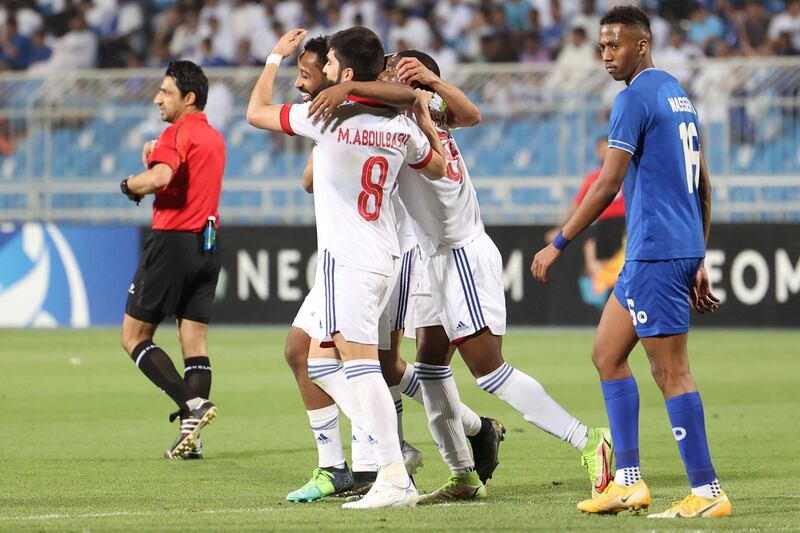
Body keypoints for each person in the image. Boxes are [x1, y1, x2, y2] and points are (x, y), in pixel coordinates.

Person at [312, 49, 612, 504]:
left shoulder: (419, 115)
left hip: (460, 257)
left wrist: (423, 82)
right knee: (431, 370)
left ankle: (590, 440)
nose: (388, 76)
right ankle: (463, 475)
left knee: (489, 373)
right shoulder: (406, 118)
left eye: (395, 70)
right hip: (429, 260)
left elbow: (471, 113)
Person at [531, 6, 731, 518]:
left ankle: (707, 493)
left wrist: (559, 242)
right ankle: (628, 482)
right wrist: (699, 254)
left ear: (641, 45)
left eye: (614, 46)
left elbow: (607, 184)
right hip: (671, 248)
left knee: (671, 373)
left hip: (657, 251)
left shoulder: (633, 98)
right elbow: (704, 186)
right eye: (601, 46)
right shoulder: (676, 93)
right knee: (607, 354)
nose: (604, 56)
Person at [283, 37, 502, 503]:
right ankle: (363, 459)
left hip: (392, 250)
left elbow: (453, 117)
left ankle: (389, 461)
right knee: (307, 351)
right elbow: (308, 181)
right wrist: (333, 117)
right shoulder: (364, 109)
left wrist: (347, 99)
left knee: (373, 363)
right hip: (350, 249)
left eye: (391, 73)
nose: (382, 78)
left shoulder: (406, 113)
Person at [247, 27, 447, 509]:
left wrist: (275, 57)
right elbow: (438, 167)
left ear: (347, 72)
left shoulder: (329, 118)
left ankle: (393, 473)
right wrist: (421, 114)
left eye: (331, 62)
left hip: (348, 259)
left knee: (360, 368)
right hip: (383, 256)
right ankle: (388, 456)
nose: (326, 69)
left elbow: (255, 112)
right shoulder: (400, 127)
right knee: (317, 358)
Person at [119, 60, 225, 461]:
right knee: (193, 342)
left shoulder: (175, 132)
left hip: (173, 242)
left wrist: (131, 185)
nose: (156, 98)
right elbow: (181, 175)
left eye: (165, 91)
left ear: (189, 97)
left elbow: (162, 178)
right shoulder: (214, 137)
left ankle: (192, 405)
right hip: (208, 245)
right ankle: (191, 440)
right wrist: (156, 159)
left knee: (133, 337)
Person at [545, 138, 625, 309]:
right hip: (604, 226)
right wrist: (560, 229)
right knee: (604, 269)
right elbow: (578, 205)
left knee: (624, 267)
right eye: (600, 149)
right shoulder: (594, 179)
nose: (603, 153)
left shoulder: (627, 174)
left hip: (626, 226)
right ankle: (611, 309)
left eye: (606, 149)